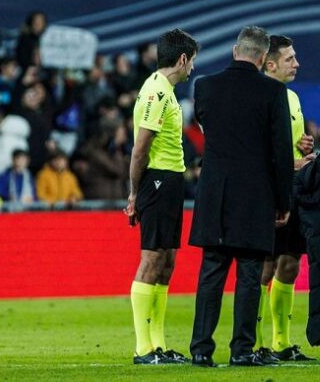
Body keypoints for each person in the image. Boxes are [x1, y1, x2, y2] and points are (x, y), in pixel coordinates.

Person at [188, 26, 293, 367]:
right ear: (263, 58)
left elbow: (207, 126)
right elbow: (280, 151)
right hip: (255, 197)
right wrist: (283, 201)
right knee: (249, 274)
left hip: (215, 194)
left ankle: (201, 350)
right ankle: (242, 351)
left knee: (212, 272)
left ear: (235, 51)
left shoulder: (204, 87)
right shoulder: (272, 92)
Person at [124, 28, 199, 365]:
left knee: (167, 261)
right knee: (152, 259)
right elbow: (140, 149)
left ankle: (158, 344)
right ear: (181, 59)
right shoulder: (155, 90)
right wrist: (133, 192)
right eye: (192, 62)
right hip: (156, 180)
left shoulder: (165, 89)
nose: (192, 69)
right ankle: (143, 349)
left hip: (169, 181)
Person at [254, 35, 315, 363]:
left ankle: (282, 343)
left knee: (290, 264)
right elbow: (254, 152)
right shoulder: (257, 98)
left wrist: (304, 146)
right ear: (271, 64)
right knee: (265, 266)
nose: (297, 63)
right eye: (290, 59)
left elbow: (290, 143)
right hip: (267, 190)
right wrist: (292, 162)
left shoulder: (291, 97)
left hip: (293, 188)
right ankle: (257, 343)